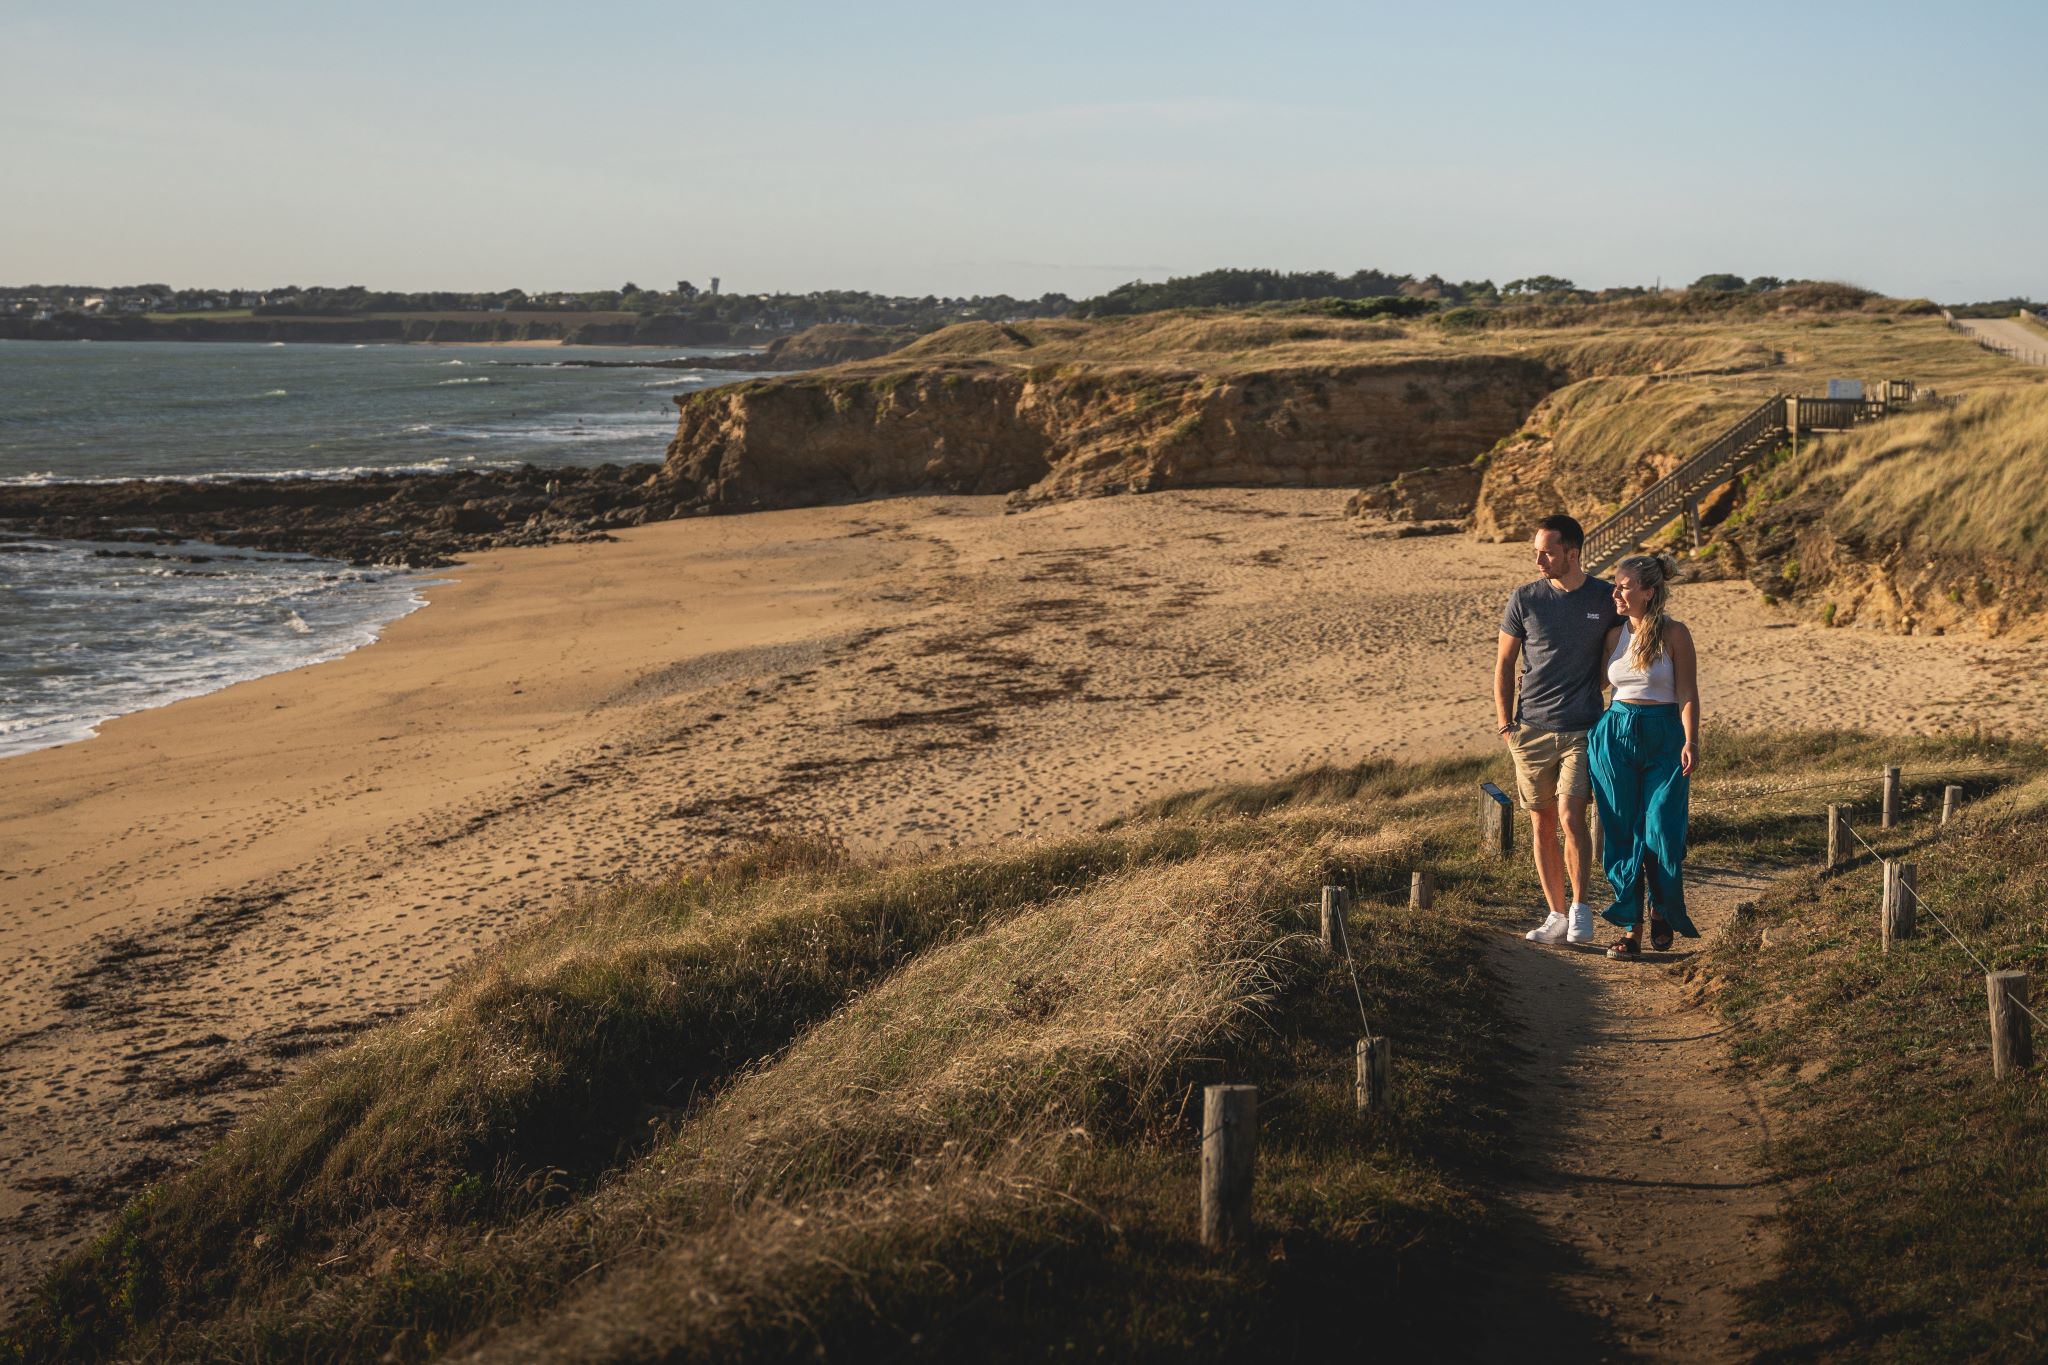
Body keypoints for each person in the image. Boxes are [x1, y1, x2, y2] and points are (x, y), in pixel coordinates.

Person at [1496, 514, 1623, 946]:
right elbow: (1505, 664)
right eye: (1535, 551)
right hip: (1529, 730)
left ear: (1573, 553)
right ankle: (1555, 914)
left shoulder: (1606, 598)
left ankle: (1580, 907)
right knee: (1541, 823)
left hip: (1583, 729)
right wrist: (1505, 724)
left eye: (1547, 552)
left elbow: (1618, 658)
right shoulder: (1525, 598)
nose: (1538, 560)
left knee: (1572, 817)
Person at [1588, 553, 1700, 959]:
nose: (1615, 592)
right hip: (1614, 733)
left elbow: (1687, 692)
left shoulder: (1675, 633)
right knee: (1620, 833)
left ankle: (1662, 908)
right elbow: (1599, 683)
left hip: (1664, 735)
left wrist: (1691, 740)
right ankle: (1631, 928)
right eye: (1615, 585)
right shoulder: (1613, 635)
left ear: (1649, 592)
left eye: (1624, 586)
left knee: (1661, 830)